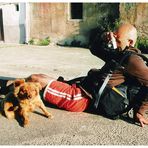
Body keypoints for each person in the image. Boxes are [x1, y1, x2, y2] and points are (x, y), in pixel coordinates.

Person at [1, 23, 148, 127]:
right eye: (114, 36)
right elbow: (94, 49)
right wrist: (104, 37)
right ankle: (5, 87)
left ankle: (4, 88)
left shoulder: (132, 60)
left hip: (81, 98)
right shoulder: (121, 55)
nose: (114, 41)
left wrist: (140, 112)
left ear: (129, 42)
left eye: (117, 38)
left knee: (35, 79)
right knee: (38, 76)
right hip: (80, 87)